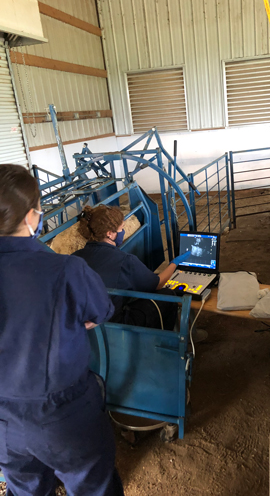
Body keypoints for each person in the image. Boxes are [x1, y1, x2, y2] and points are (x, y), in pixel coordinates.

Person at [0, 164, 124, 496]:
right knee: (92, 486)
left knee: (25, 489)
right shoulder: (66, 268)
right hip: (62, 415)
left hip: (3, 424)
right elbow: (100, 312)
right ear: (30, 216)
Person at [73, 205, 190, 331]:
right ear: (110, 234)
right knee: (167, 295)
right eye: (121, 228)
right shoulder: (124, 260)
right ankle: (164, 344)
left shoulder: (74, 258)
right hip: (115, 327)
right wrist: (174, 263)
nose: (123, 232)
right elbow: (158, 284)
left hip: (84, 326)